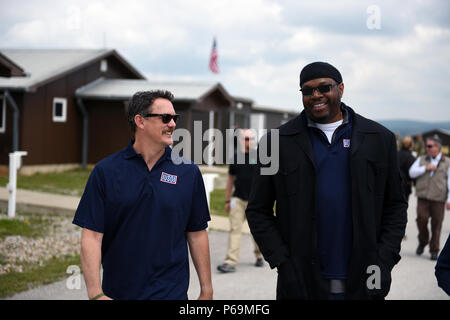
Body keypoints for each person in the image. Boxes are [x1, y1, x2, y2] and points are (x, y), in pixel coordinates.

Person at [246, 61, 407, 300]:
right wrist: (282, 262)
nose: (316, 95)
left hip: (364, 280)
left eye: (324, 88)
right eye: (308, 91)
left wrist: (384, 260)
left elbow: (395, 205)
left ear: (341, 89)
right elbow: (258, 210)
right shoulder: (276, 143)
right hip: (301, 282)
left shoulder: (378, 139)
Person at [72, 90, 213, 300]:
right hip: (119, 294)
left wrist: (207, 289)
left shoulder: (188, 172)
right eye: (165, 118)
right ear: (140, 121)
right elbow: (92, 236)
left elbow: (197, 233)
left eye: (175, 118)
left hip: (171, 294)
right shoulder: (106, 172)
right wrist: (95, 293)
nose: (173, 124)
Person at [217, 129, 264, 273]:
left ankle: (260, 255)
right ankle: (230, 262)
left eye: (251, 138)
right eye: (246, 139)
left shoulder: (259, 157)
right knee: (234, 230)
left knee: (256, 231)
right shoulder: (235, 158)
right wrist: (227, 201)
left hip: (254, 201)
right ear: (240, 140)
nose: (248, 141)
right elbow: (231, 180)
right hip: (237, 199)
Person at [409, 134, 450, 261]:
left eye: (430, 146)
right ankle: (423, 241)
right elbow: (411, 172)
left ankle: (434, 250)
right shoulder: (422, 159)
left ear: (437, 147)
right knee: (421, 220)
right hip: (423, 197)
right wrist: (425, 168)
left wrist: (449, 200)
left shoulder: (447, 162)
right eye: (426, 146)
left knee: (436, 224)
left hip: (438, 198)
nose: (427, 148)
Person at [398, 136, 416, 204]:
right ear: (411, 145)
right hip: (405, 185)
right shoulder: (411, 157)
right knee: (403, 206)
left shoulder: (395, 153)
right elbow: (412, 173)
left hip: (393, 184)